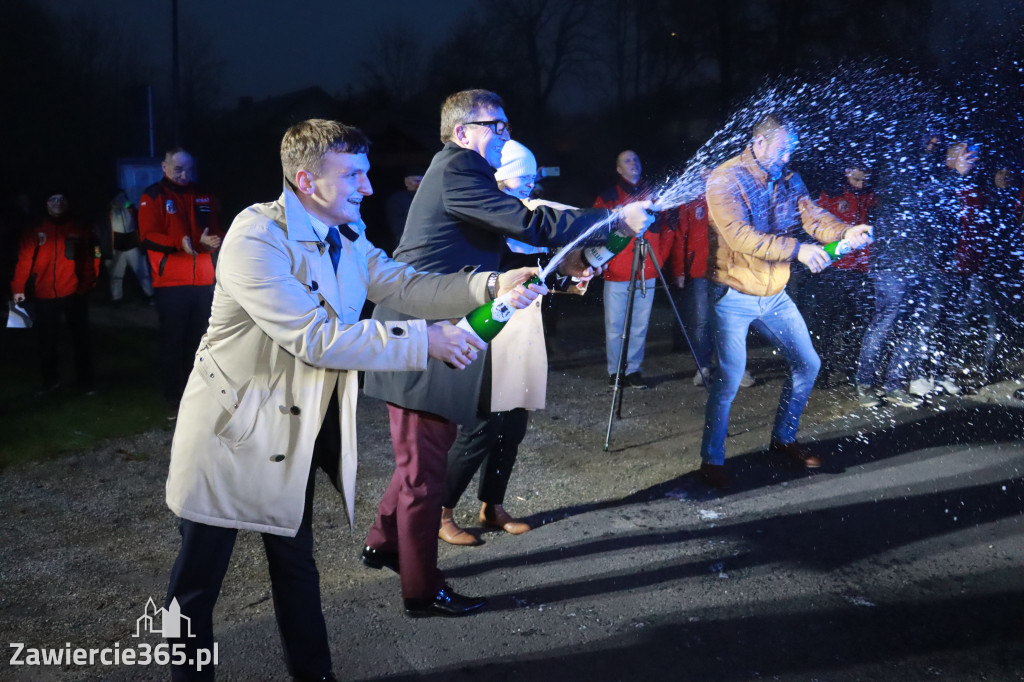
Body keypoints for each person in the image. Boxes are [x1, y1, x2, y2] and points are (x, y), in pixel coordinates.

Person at [163, 118, 544, 681]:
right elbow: (315, 339)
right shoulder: (254, 237)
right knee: (195, 587)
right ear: (306, 180)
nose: (368, 187)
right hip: (231, 435)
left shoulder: (347, 234)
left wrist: (491, 284)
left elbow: (404, 284)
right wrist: (426, 340)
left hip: (291, 437)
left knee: (295, 569)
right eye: (354, 175)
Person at [363, 89, 653, 616]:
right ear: (462, 133)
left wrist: (560, 269)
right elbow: (531, 224)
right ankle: (422, 592)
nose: (503, 134)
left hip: (439, 323)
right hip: (423, 327)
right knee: (424, 470)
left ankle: (383, 543)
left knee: (421, 458)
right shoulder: (458, 169)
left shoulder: (461, 175)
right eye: (494, 125)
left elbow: (504, 248)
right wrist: (613, 221)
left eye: (505, 124)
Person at [699, 113, 872, 488]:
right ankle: (711, 460)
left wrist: (846, 231)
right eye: (781, 151)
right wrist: (799, 250)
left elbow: (812, 216)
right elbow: (741, 237)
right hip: (732, 294)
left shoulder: (789, 178)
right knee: (729, 379)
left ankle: (784, 439)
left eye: (790, 151)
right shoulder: (725, 178)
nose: (786, 159)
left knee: (808, 363)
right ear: (759, 144)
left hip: (774, 293)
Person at [438, 139, 597, 546]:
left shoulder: (527, 218)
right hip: (488, 329)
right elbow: (503, 269)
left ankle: (492, 505)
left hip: (523, 330)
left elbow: (535, 274)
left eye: (530, 177)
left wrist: (570, 280)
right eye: (519, 177)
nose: (527, 185)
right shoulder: (484, 217)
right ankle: (440, 511)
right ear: (498, 178)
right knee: (482, 426)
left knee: (514, 424)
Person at [138, 148, 223, 415]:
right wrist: (179, 243)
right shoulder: (153, 195)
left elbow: (216, 228)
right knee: (173, 339)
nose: (185, 174)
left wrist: (213, 240)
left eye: (188, 169)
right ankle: (173, 394)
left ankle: (198, 391)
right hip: (172, 282)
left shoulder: (203, 194)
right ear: (164, 167)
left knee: (201, 340)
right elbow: (147, 235)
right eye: (178, 169)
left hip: (204, 280)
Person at [594, 150, 675, 389]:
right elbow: (596, 233)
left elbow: (669, 231)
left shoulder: (654, 197)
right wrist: (603, 260)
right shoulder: (608, 197)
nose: (633, 163)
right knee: (615, 325)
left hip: (646, 270)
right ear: (619, 169)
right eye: (627, 161)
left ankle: (634, 370)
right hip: (617, 272)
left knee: (640, 324)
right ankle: (616, 371)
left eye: (636, 159)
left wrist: (659, 259)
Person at [10, 193, 97, 395]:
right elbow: (24, 260)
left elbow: (89, 259)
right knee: (46, 342)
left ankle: (86, 383)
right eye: (53, 199)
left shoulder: (78, 227)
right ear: (46, 203)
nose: (58, 203)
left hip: (73, 292)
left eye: (62, 199)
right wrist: (18, 288)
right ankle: (50, 382)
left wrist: (86, 286)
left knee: (81, 340)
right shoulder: (35, 228)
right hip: (44, 294)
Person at [812, 164, 878, 385]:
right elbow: (818, 228)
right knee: (826, 324)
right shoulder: (831, 195)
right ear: (848, 171)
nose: (861, 184)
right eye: (858, 179)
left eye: (864, 180)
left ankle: (851, 367)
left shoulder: (871, 196)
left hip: (861, 271)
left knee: (856, 323)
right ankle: (821, 371)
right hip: (834, 271)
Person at [102, 189, 153, 305]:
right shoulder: (107, 213)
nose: (121, 199)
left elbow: (142, 223)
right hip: (116, 247)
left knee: (143, 272)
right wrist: (103, 252)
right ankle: (116, 298)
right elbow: (103, 232)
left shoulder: (132, 210)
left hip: (133, 245)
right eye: (118, 197)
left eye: (123, 197)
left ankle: (150, 295)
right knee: (116, 275)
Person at [385, 167, 424, 252]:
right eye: (416, 181)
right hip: (407, 244)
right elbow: (396, 225)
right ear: (407, 182)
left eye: (422, 181)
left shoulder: (427, 197)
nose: (420, 185)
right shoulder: (398, 199)